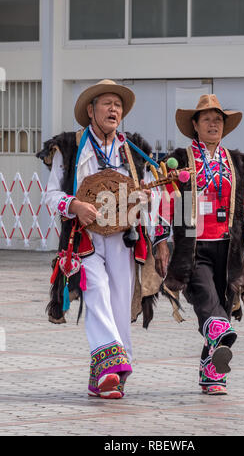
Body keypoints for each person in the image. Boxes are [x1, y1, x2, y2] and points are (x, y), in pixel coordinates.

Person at [37, 79, 158, 399]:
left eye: (118, 105)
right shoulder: (69, 146)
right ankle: (112, 365)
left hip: (124, 237)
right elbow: (51, 196)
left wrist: (144, 199)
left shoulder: (134, 150)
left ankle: (106, 377)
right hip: (84, 239)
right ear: (90, 111)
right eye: (106, 103)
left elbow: (150, 194)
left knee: (120, 303)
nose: (113, 109)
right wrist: (74, 205)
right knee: (97, 293)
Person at [154, 94, 244, 395]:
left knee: (222, 308)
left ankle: (212, 374)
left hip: (228, 247)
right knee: (206, 301)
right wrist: (162, 242)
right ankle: (217, 352)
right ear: (195, 125)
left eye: (218, 120)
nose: (214, 124)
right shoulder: (181, 160)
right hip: (193, 244)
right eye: (207, 119)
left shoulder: (237, 161)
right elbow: (165, 203)